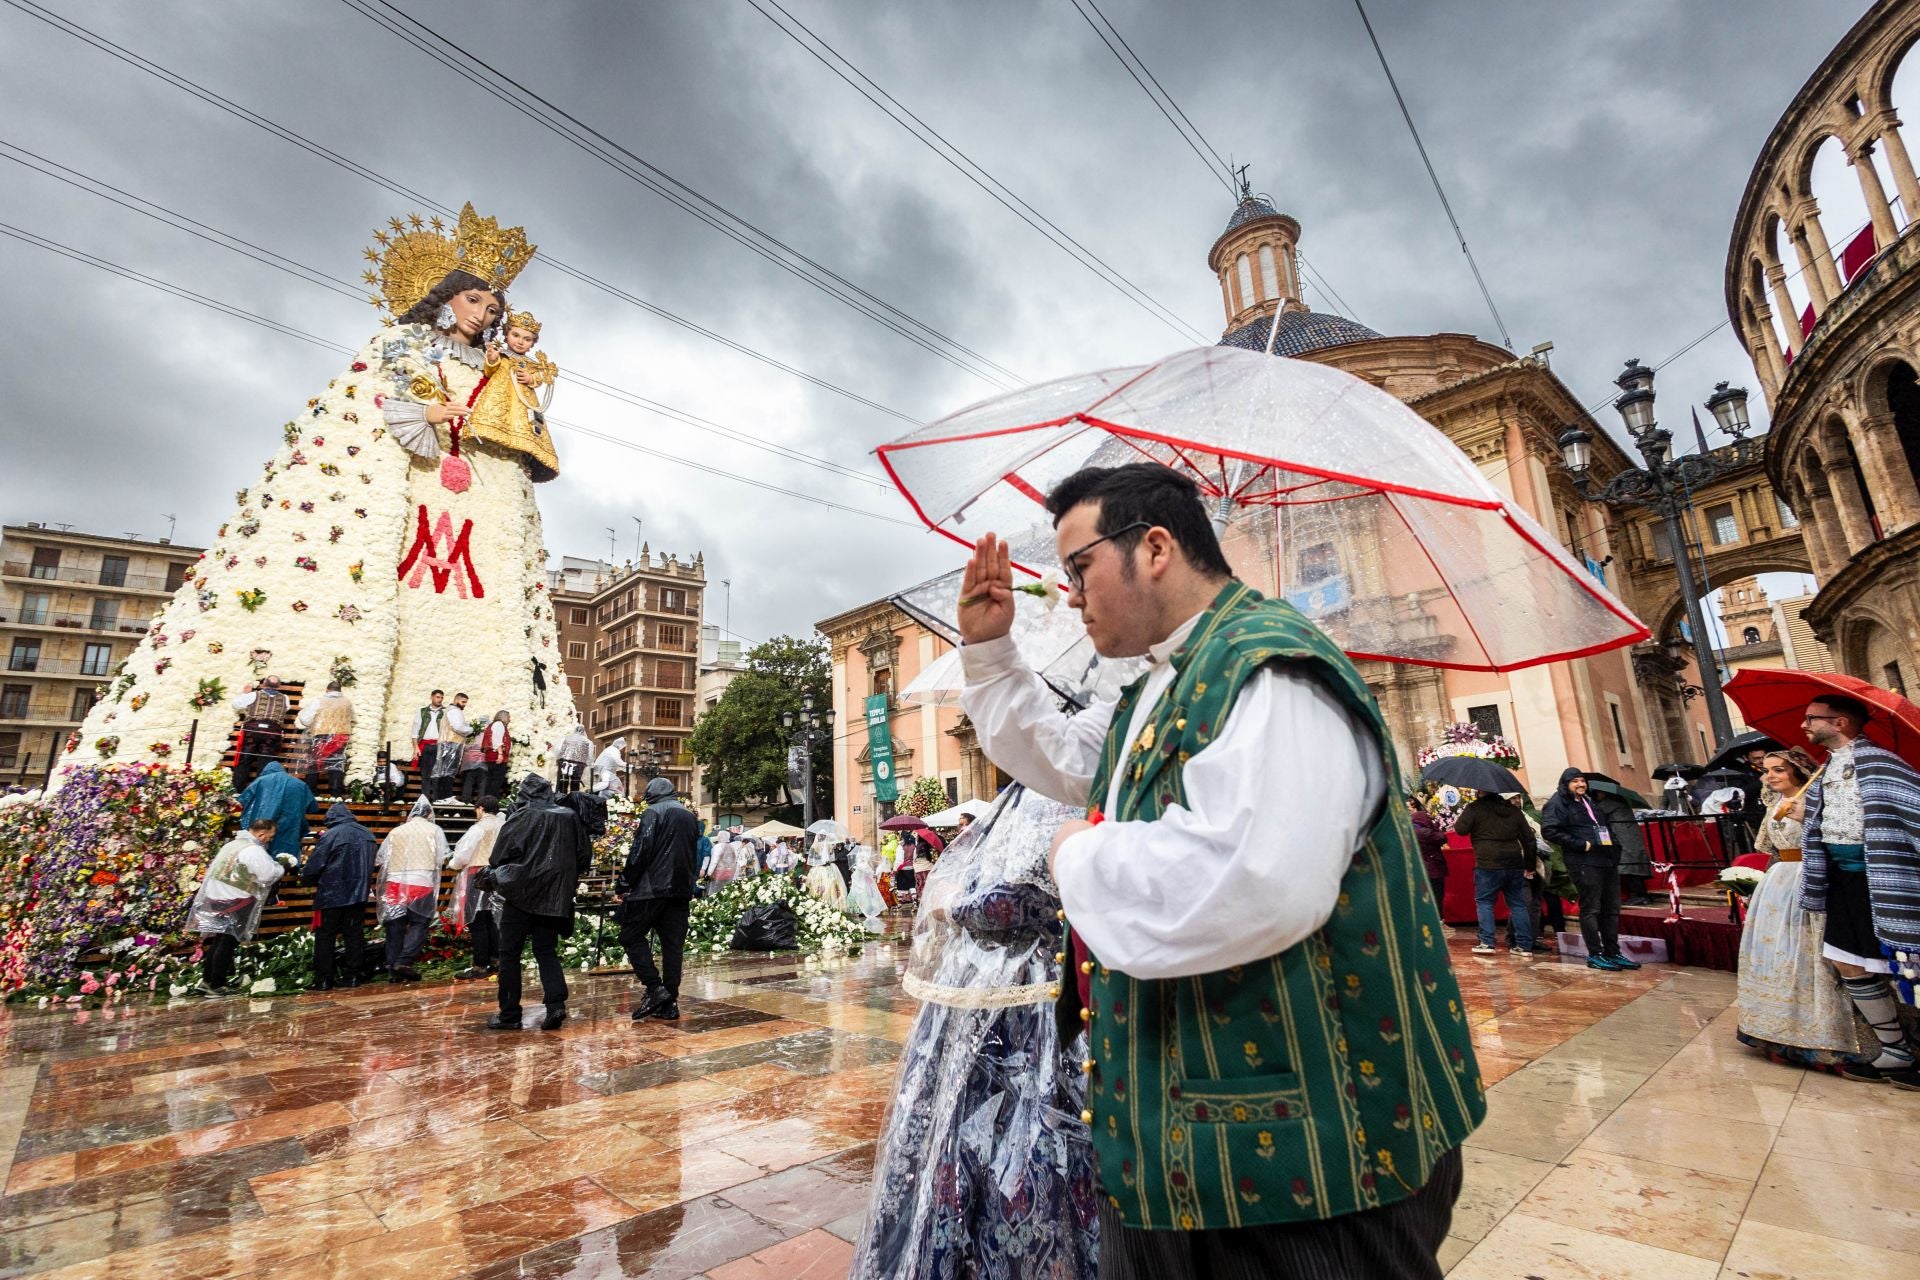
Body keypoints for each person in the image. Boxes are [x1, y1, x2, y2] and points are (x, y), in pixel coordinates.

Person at [958, 464, 1479, 1277]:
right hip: (1188, 1145)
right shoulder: (1159, 685)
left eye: (1078, 569)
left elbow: (1253, 878)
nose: (1068, 595)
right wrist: (991, 650)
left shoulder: (1267, 668)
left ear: (1155, 548)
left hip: (1306, 1170)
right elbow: (1058, 756)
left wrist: (1074, 854)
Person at [66, 220, 576, 782]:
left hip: (477, 512)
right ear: (444, 295)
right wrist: (426, 413)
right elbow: (364, 405)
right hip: (404, 494)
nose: (483, 314)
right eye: (473, 298)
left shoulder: (500, 372)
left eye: (493, 309)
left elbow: (522, 426)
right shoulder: (398, 345)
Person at [852, 784, 1098, 1278]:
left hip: (1033, 1004)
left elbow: (1028, 900)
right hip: (988, 1004)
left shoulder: (1060, 794)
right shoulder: (1023, 794)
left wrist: (952, 905)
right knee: (959, 1142)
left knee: (1020, 1149)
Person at [1801, 693, 1920, 1086]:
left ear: (1841, 723)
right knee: (1847, 961)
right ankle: (1894, 1050)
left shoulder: (1882, 762)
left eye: (1812, 719)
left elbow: (1914, 809)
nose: (1805, 726)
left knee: (1909, 964)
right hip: (1842, 879)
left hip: (1885, 878)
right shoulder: (1824, 770)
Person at [1735, 748, 1867, 1069]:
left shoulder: (1817, 803)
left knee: (1810, 954)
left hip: (1810, 877)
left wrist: (1810, 818)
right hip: (1778, 884)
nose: (1770, 777)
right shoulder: (1773, 804)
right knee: (1777, 953)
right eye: (1766, 771)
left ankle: (1823, 1034)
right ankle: (1776, 1027)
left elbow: (1839, 838)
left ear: (1795, 771)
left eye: (1778, 770)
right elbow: (1771, 849)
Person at [486, 773, 590, 1031]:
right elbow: (583, 857)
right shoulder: (569, 817)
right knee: (546, 951)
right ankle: (556, 1005)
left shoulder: (520, 817)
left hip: (520, 897)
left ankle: (509, 1014)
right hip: (553, 899)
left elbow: (498, 857)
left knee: (509, 954)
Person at [618, 776, 700, 1022]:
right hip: (681, 889)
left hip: (652, 888)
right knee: (672, 947)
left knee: (630, 936)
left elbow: (640, 851)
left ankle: (655, 989)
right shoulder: (688, 816)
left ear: (652, 793)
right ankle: (669, 1003)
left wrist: (624, 882)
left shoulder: (653, 813)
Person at [1543, 769, 1638, 972]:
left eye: (1582, 781)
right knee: (1591, 909)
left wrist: (1615, 845)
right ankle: (1595, 953)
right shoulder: (1557, 803)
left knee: (1611, 908)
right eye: (1575, 781)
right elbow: (1549, 830)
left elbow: (1603, 825)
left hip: (1606, 859)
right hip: (1584, 862)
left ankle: (1613, 951)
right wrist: (1580, 844)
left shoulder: (1589, 801)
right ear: (1566, 783)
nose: (1580, 784)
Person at [188, 817, 292, 996]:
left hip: (216, 897)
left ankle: (207, 980)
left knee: (219, 940)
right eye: (270, 836)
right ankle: (216, 985)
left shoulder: (232, 845)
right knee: (227, 942)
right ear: (261, 834)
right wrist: (282, 866)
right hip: (236, 900)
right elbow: (266, 876)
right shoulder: (253, 850)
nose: (270, 840)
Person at [373, 797, 449, 982]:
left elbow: (381, 858)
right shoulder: (434, 830)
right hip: (421, 883)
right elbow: (443, 857)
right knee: (419, 923)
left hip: (394, 883)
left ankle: (393, 970)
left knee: (395, 926)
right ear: (429, 814)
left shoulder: (396, 831)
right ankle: (403, 961)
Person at [302, 802, 374, 990]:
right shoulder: (367, 834)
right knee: (354, 934)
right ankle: (353, 976)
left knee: (326, 936)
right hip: (358, 893)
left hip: (332, 894)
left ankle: (324, 979)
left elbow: (315, 864)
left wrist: (307, 879)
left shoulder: (332, 835)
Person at [1455, 790, 1534, 957]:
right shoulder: (1513, 809)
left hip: (1488, 861)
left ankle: (1487, 942)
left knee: (1485, 902)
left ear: (1480, 791)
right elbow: (1528, 838)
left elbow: (1460, 830)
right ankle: (1525, 945)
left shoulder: (1474, 808)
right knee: (1518, 904)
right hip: (1514, 861)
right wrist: (1530, 864)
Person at [450, 794, 506, 979]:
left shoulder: (478, 828)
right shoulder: (503, 826)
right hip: (498, 876)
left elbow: (463, 854)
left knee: (477, 921)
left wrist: (453, 865)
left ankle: (480, 965)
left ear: (481, 808)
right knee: (493, 919)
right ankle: (496, 959)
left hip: (478, 877)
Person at [238, 760, 315, 864]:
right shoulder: (301, 785)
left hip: (262, 829)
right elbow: (313, 807)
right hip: (290, 830)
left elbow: (242, 800)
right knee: (284, 860)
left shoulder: (261, 781)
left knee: (258, 862)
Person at [230, 678, 291, 791]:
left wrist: (245, 694)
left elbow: (236, 705)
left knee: (244, 760)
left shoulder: (253, 695)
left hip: (252, 730)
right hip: (272, 732)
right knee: (265, 764)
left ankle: (237, 790)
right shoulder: (285, 698)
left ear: (263, 684)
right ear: (278, 686)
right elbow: (286, 708)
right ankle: (261, 792)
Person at [297, 680, 354, 796]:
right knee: (336, 763)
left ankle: (310, 792)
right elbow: (352, 717)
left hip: (321, 734)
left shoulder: (319, 701)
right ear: (340, 690)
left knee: (314, 763)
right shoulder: (347, 702)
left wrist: (311, 724)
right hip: (340, 736)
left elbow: (304, 718)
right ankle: (335, 794)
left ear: (327, 689)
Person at [1408, 796, 1447, 906]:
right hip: (1433, 869)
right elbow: (1442, 838)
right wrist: (1434, 826)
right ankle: (1439, 920)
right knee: (1437, 895)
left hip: (1418, 869)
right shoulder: (1426, 832)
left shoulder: (1410, 830)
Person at [413, 691, 451, 802]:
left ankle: (435, 800)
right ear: (432, 697)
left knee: (437, 775)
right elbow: (415, 731)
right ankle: (424, 800)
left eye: (441, 698)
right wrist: (416, 748)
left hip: (439, 746)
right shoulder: (422, 711)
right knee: (425, 775)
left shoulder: (445, 713)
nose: (440, 699)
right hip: (425, 746)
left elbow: (449, 731)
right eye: (438, 697)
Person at [847, 843, 887, 932]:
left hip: (863, 878)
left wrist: (870, 870)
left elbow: (865, 866)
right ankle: (862, 909)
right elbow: (862, 866)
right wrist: (869, 871)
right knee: (862, 892)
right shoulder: (861, 856)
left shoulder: (863, 857)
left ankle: (866, 909)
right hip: (860, 877)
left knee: (867, 892)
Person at [473, 709, 512, 802]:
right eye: (509, 717)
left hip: (493, 756)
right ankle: (490, 802)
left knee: (493, 780)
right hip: (496, 756)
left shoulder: (496, 725)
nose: (510, 720)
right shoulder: (499, 724)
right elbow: (496, 740)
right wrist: (500, 754)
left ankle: (489, 801)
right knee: (495, 781)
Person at [556, 723, 594, 794]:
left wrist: (558, 760)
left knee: (563, 781)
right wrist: (590, 764)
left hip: (565, 762)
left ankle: (561, 797)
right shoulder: (588, 742)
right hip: (579, 764)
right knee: (575, 782)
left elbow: (560, 750)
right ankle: (573, 799)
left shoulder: (567, 738)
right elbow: (590, 755)